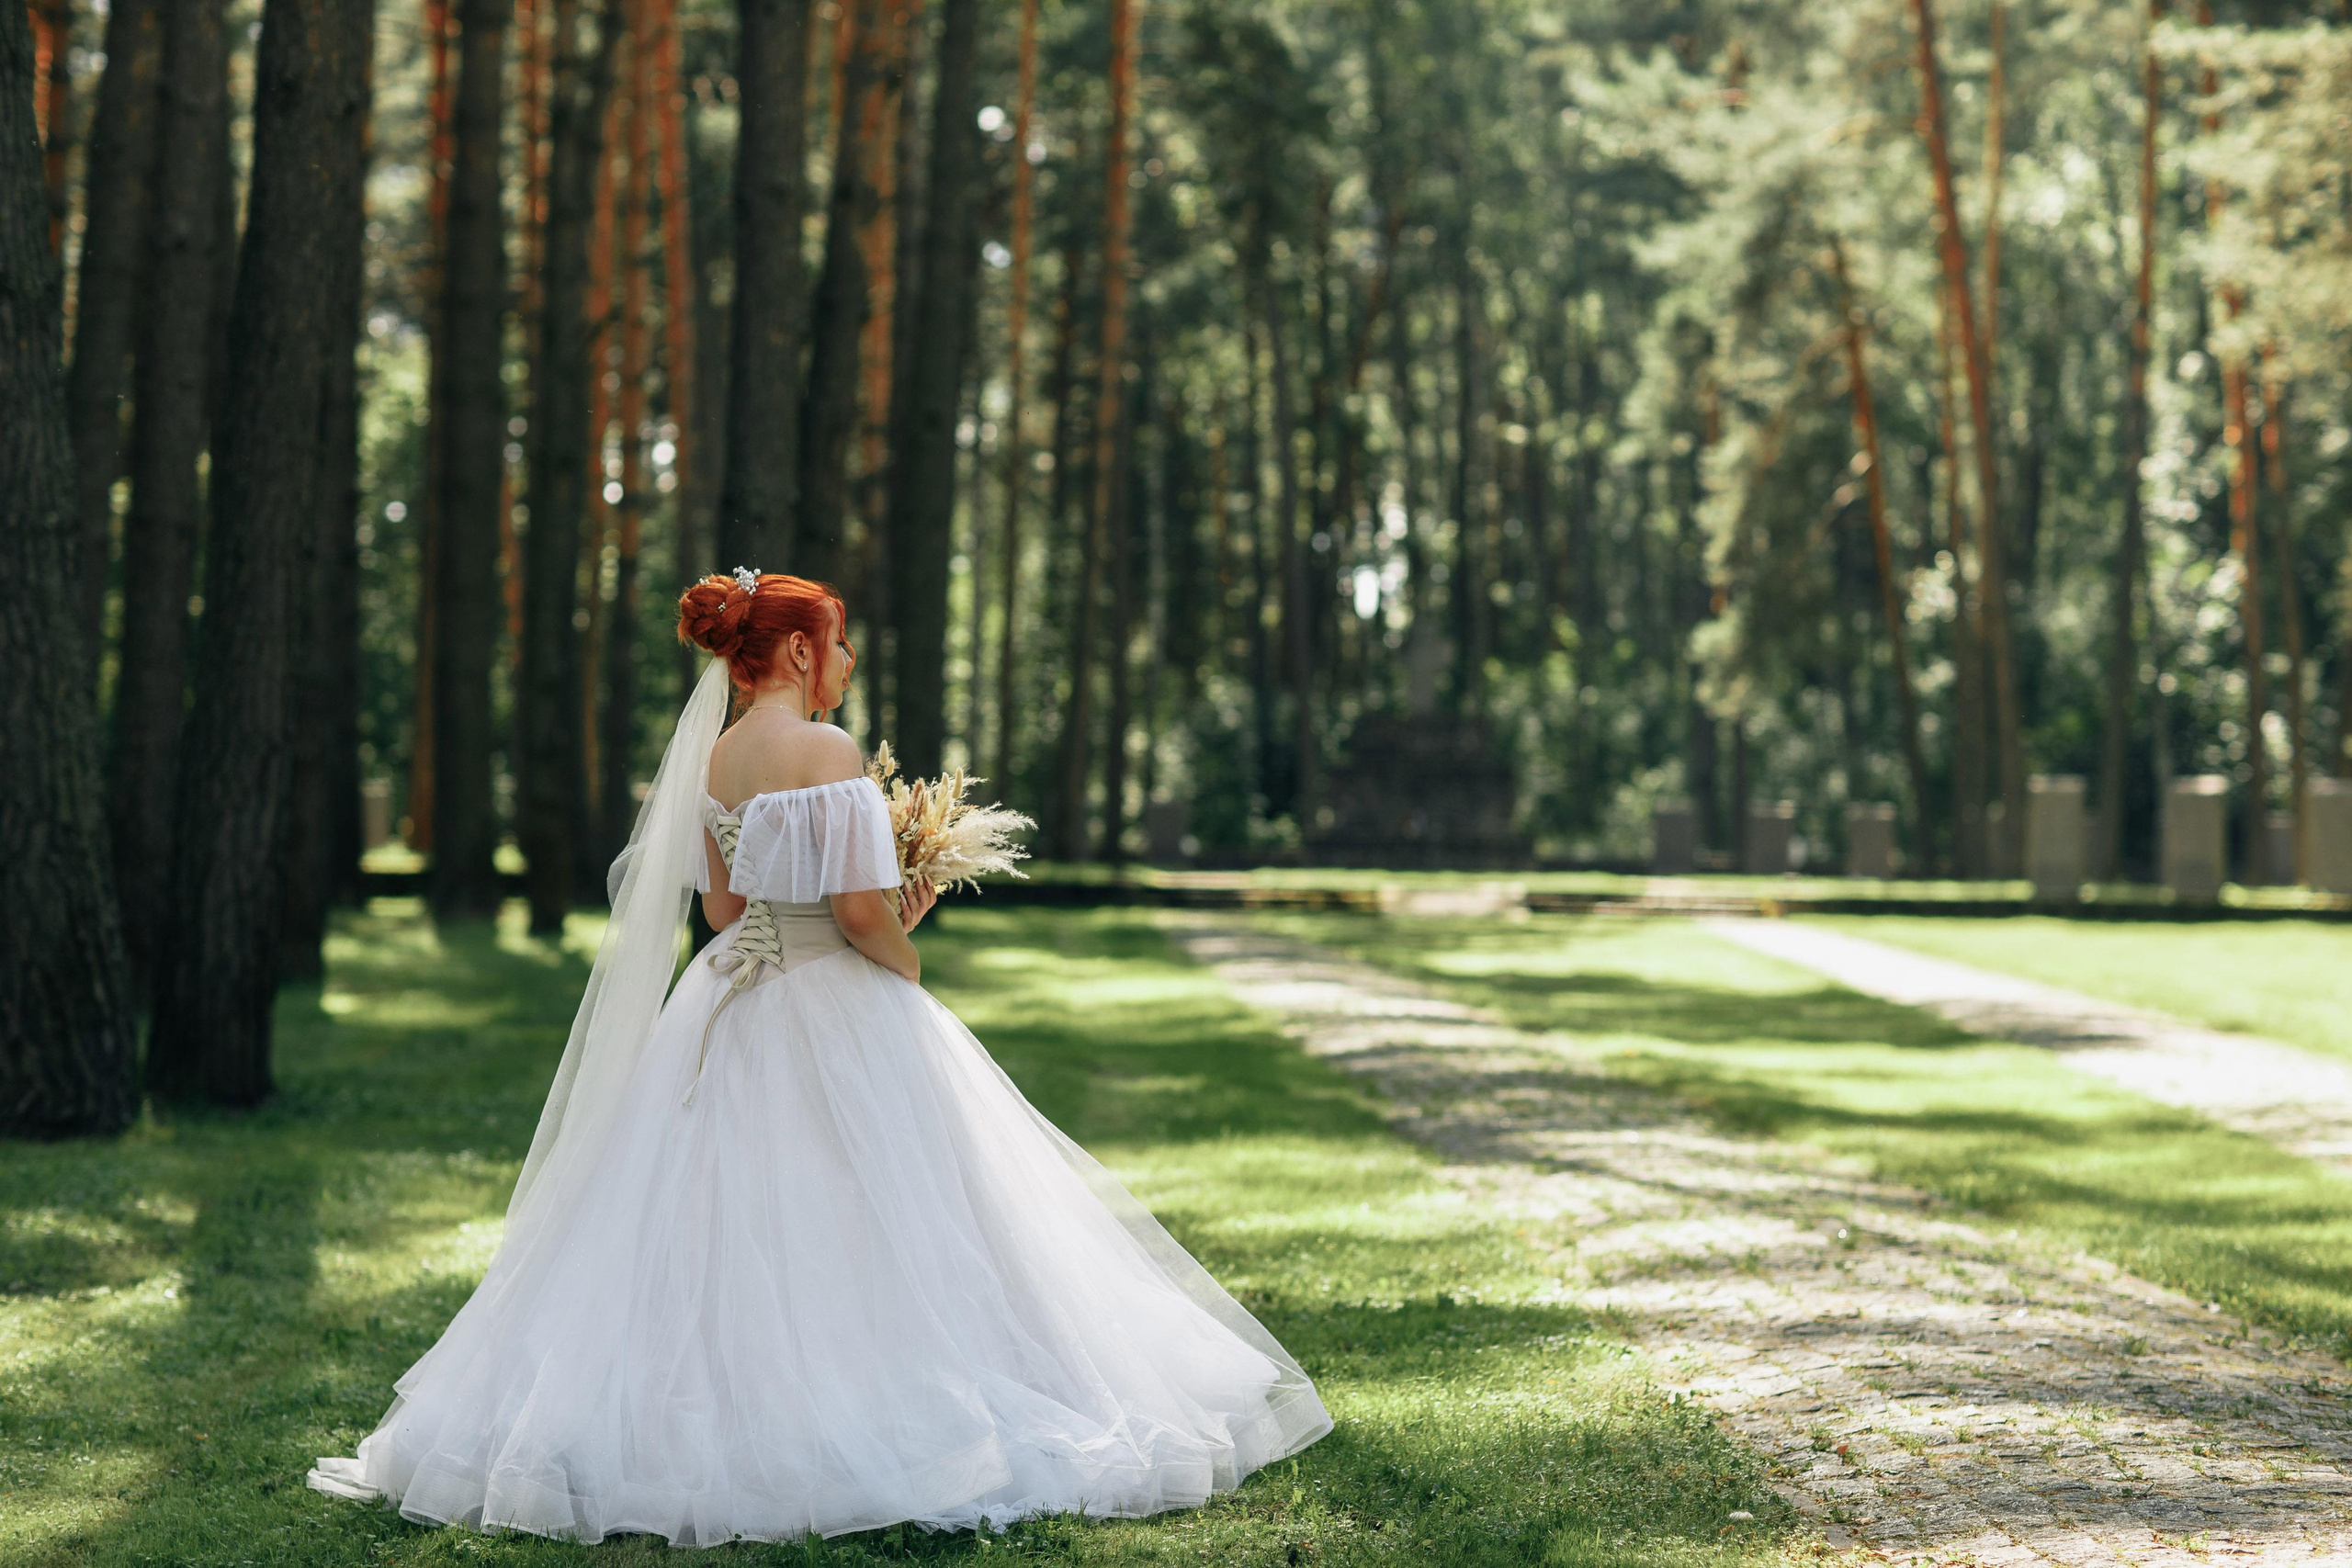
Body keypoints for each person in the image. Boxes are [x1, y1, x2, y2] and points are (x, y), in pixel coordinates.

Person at [307, 570, 1331, 1544]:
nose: (845, 662)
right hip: (825, 991)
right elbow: (855, 914)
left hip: (727, 995)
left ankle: (695, 1411)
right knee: (884, 1200)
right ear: (797, 651)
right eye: (838, 644)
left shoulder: (716, 759)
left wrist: (832, 913)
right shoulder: (827, 750)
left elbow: (723, 911)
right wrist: (906, 951)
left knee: (709, 1208)